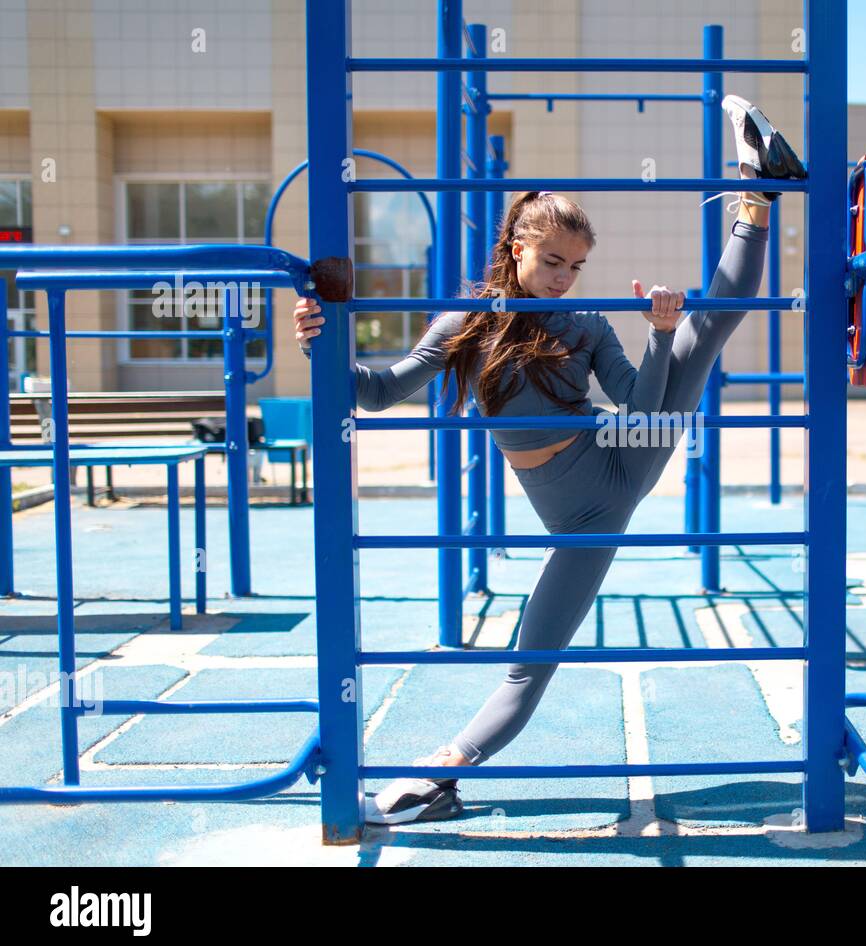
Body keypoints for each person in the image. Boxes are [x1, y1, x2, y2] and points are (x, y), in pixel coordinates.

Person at [294, 95, 807, 824]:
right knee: (529, 663)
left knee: (703, 329)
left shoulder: (588, 323)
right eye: (553, 261)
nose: (565, 276)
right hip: (580, 515)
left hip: (624, 453)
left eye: (577, 264)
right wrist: (322, 339)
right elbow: (372, 394)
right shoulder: (469, 322)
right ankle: (443, 773)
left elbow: (642, 413)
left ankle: (758, 193)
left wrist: (660, 336)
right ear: (516, 251)